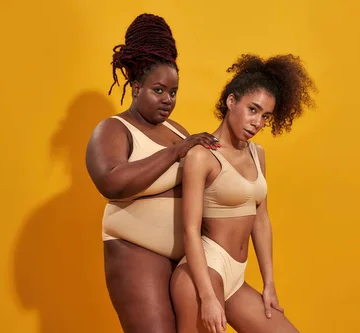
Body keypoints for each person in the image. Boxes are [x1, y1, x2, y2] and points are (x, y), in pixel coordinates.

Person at [85, 13, 220, 333]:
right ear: (135, 85)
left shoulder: (176, 129)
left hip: (188, 259)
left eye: (173, 92)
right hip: (136, 253)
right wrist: (176, 152)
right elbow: (111, 182)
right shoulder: (113, 129)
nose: (168, 101)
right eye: (158, 90)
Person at [170, 54, 317, 333]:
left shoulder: (257, 154)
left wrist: (269, 283)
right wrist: (208, 297)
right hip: (203, 273)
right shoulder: (202, 157)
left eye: (265, 116)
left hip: (235, 279)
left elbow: (261, 221)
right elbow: (190, 229)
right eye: (252, 109)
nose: (257, 122)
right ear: (231, 101)